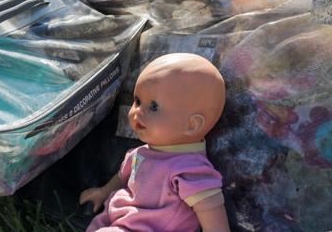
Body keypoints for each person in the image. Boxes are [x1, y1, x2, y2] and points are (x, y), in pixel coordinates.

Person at [79, 53, 229, 231]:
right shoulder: (141, 153)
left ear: (192, 125)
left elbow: (211, 210)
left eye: (153, 107)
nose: (137, 112)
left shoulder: (189, 168)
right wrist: (104, 192)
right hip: (120, 219)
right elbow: (122, 176)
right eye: (137, 101)